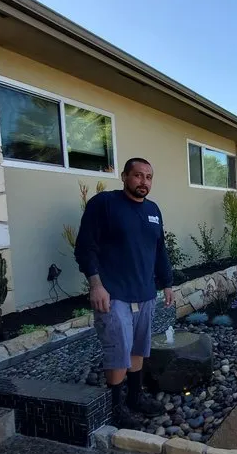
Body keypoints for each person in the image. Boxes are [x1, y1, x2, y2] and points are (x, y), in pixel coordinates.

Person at [74, 157, 174, 428]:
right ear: (124, 176)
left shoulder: (153, 210)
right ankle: (116, 408)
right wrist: (96, 285)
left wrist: (167, 283)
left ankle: (134, 397)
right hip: (113, 294)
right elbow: (85, 247)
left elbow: (159, 249)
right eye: (138, 175)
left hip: (145, 293)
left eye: (149, 177)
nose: (144, 181)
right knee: (118, 350)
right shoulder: (105, 204)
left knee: (138, 347)